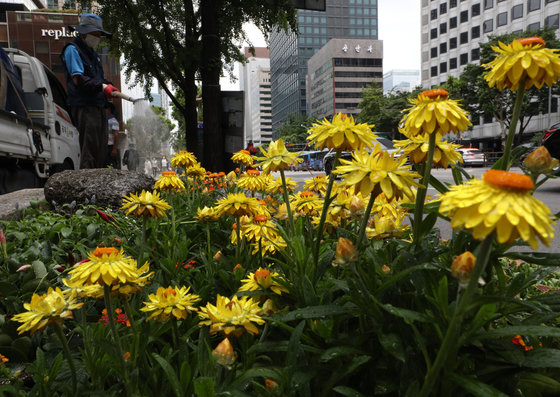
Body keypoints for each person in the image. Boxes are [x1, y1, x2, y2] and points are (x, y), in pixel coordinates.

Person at [61, 13, 120, 169]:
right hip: (84, 106)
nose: (98, 37)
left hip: (98, 105)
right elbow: (78, 79)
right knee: (90, 149)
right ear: (84, 33)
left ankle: (97, 188)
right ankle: (87, 189)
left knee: (100, 150)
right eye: (95, 34)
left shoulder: (93, 54)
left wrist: (108, 85)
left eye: (99, 34)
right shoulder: (72, 50)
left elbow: (98, 79)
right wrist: (102, 87)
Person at [105, 102, 120, 168]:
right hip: (106, 146)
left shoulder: (113, 121)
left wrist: (114, 149)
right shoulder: (106, 120)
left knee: (112, 165)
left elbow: (116, 135)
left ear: (109, 109)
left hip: (110, 146)